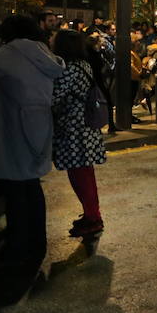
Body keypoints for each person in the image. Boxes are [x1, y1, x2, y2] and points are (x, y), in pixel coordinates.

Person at [0, 15, 65, 269]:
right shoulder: (43, 53)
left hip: (13, 125)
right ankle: (37, 244)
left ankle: (17, 248)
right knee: (31, 187)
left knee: (16, 190)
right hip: (39, 123)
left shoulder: (9, 53)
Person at [51, 30, 107, 237]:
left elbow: (54, 96)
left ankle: (93, 217)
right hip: (84, 126)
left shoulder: (70, 68)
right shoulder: (83, 64)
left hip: (74, 128)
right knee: (85, 173)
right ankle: (91, 213)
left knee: (80, 174)